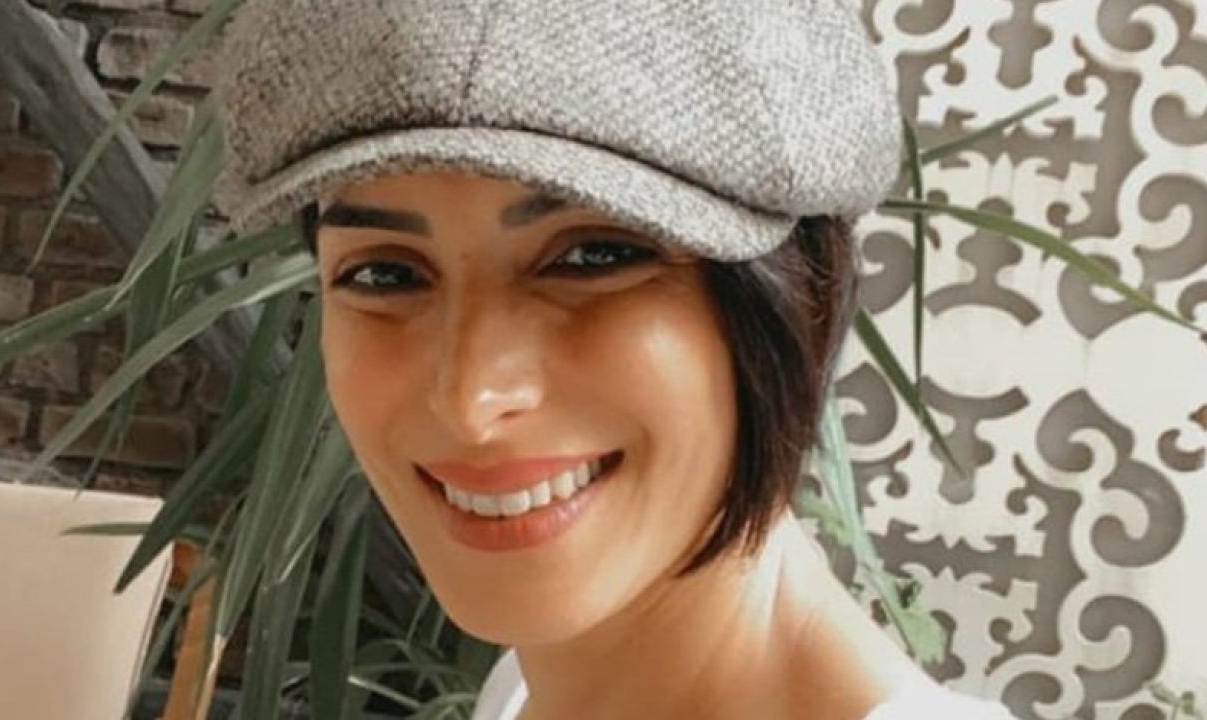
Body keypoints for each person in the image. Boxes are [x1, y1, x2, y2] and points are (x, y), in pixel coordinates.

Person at [214, 1, 1019, 718]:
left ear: (801, 298)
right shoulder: (532, 686)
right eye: (385, 275)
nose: (470, 398)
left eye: (592, 258)